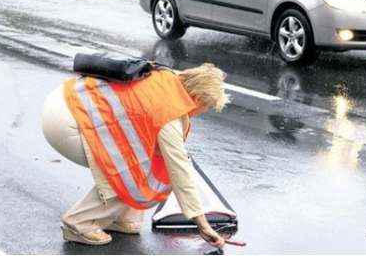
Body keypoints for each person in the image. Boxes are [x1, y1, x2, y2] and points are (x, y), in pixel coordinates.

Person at [42, 63, 229, 248]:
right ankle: (78, 223)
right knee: (132, 169)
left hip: (69, 99)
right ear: (197, 98)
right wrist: (202, 225)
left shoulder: (167, 79)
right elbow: (179, 171)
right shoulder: (169, 112)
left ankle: (118, 215)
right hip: (67, 122)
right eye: (206, 107)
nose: (202, 113)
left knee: (138, 156)